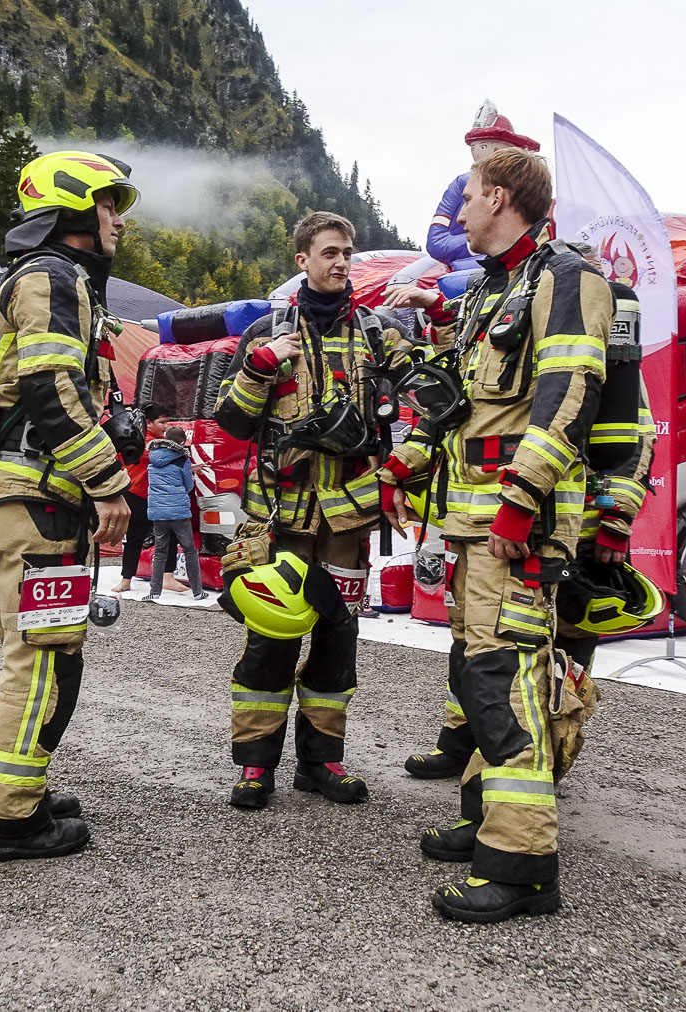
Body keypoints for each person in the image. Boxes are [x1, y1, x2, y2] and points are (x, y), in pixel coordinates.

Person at [382, 148, 614, 922]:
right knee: (477, 678)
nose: (459, 213)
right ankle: (487, 822)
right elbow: (459, 412)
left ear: (503, 197)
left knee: (505, 685)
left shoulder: (565, 279)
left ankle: (522, 866)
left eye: (471, 197)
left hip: (513, 528)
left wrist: (520, 501)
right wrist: (401, 471)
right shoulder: (492, 293)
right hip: (471, 525)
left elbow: (569, 392)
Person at [0, 150, 139, 862]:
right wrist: (109, 481)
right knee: (38, 658)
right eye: (109, 203)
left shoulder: (53, 279)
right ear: (77, 207)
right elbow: (50, 387)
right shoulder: (52, 277)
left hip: (27, 500)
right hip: (32, 500)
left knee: (52, 654)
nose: (118, 219)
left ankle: (23, 794)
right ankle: (6, 822)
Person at [213, 210, 408, 810]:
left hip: (347, 519)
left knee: (337, 640)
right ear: (302, 260)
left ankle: (322, 761)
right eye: (329, 252)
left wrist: (402, 473)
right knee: (270, 637)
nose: (342, 261)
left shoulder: (378, 332)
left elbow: (425, 393)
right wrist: (259, 368)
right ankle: (254, 765)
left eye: (347, 251)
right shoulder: (266, 333)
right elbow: (230, 420)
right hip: (280, 516)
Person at [425, 100, 540, 272]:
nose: (461, 217)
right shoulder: (464, 182)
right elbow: (435, 242)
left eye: (469, 201)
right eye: (475, 146)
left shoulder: (548, 267)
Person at [112, 402, 187, 594]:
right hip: (136, 494)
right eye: (162, 422)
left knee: (168, 534)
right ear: (149, 423)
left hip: (158, 496)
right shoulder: (141, 441)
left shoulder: (160, 443)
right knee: (134, 538)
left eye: (167, 422)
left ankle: (167, 577)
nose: (166, 426)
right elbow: (158, 457)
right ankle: (126, 579)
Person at [145, 425, 208, 600]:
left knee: (160, 552)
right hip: (178, 511)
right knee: (189, 550)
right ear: (182, 442)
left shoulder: (153, 458)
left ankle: (154, 592)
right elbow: (188, 486)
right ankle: (197, 591)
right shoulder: (182, 459)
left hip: (157, 511)